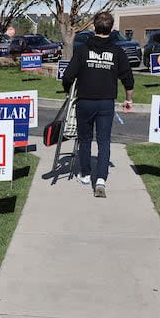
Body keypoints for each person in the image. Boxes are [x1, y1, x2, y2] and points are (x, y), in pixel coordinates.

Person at [62, 11, 134, 198]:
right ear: (112, 29)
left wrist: (66, 89)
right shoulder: (117, 52)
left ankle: (85, 174)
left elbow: (68, 75)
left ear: (94, 27)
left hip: (85, 102)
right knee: (104, 141)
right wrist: (128, 99)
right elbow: (128, 78)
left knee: (85, 139)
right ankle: (101, 178)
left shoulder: (83, 50)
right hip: (105, 103)